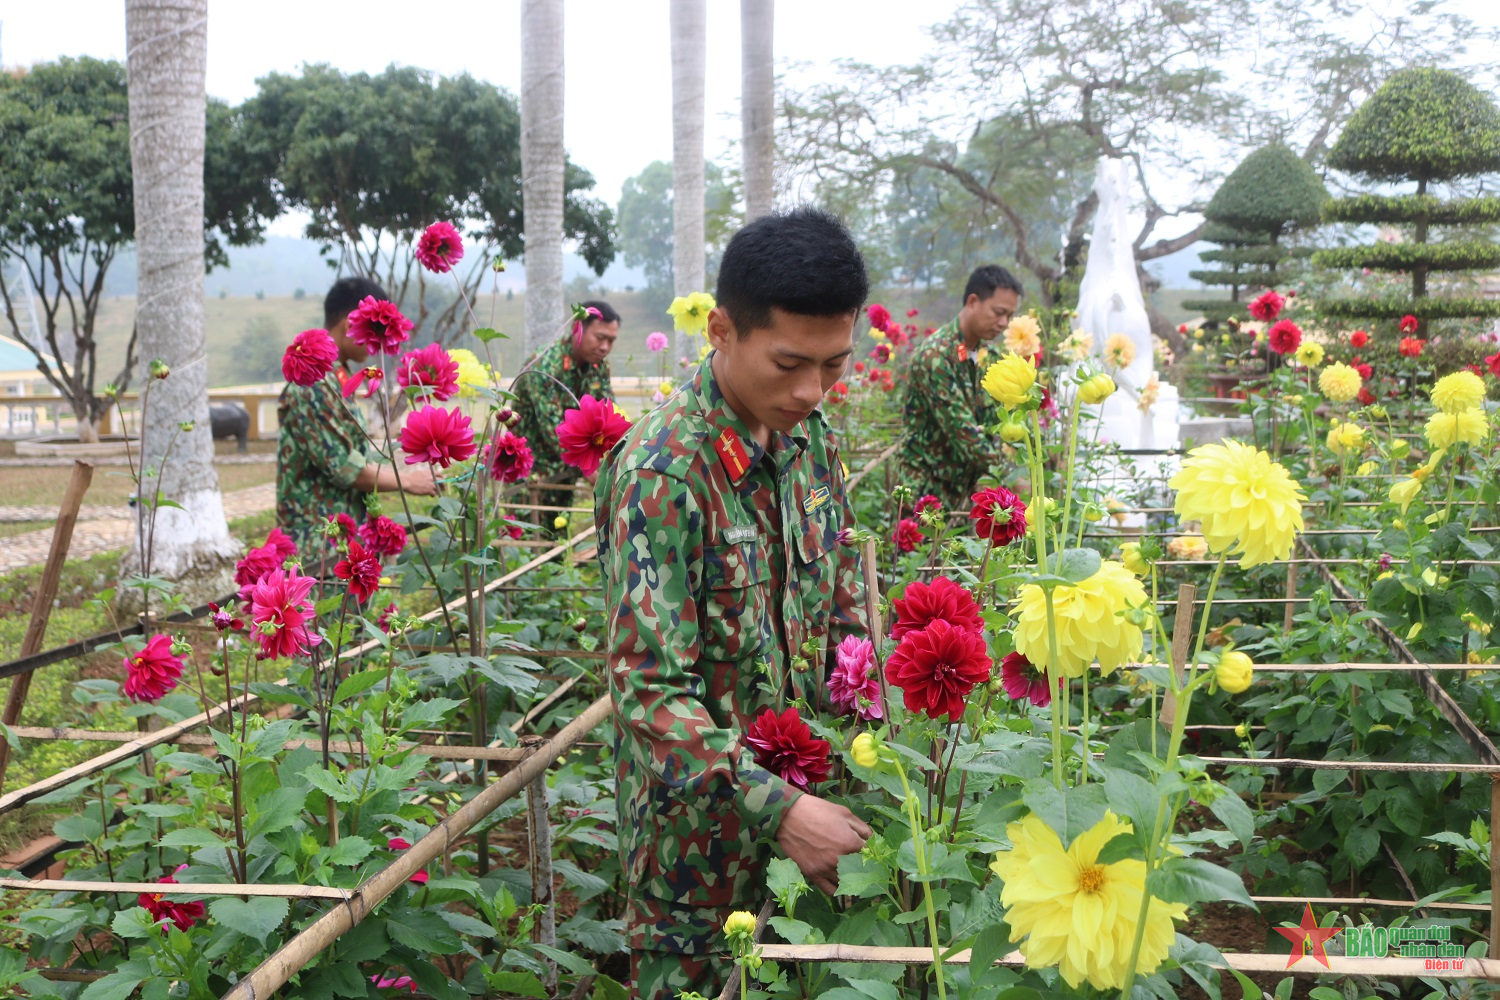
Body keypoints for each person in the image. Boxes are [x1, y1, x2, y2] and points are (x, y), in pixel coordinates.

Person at [594, 208, 873, 1000]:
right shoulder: (664, 475)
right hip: (697, 856)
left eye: (834, 364)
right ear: (721, 329)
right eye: (788, 363)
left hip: (815, 815)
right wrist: (777, 807)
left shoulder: (807, 437)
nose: (813, 390)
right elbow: (646, 690)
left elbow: (841, 607)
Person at [276, 277, 437, 562]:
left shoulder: (338, 379)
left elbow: (359, 456)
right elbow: (346, 468)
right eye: (374, 331)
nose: (376, 344)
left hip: (344, 536)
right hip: (317, 546)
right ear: (351, 325)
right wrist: (408, 481)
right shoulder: (312, 383)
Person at [897, 265, 1023, 509]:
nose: (1003, 323)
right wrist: (1013, 478)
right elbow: (964, 432)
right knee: (923, 548)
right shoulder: (936, 356)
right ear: (973, 301)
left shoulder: (990, 355)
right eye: (998, 312)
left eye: (1009, 316)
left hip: (967, 492)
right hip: (927, 493)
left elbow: (998, 420)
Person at [511, 299, 620, 514]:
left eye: (611, 341)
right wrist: (590, 468)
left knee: (561, 537)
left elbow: (608, 410)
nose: (605, 347)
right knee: (527, 539)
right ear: (577, 329)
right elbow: (554, 429)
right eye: (600, 338)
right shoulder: (545, 366)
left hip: (568, 471)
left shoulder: (599, 365)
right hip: (532, 473)